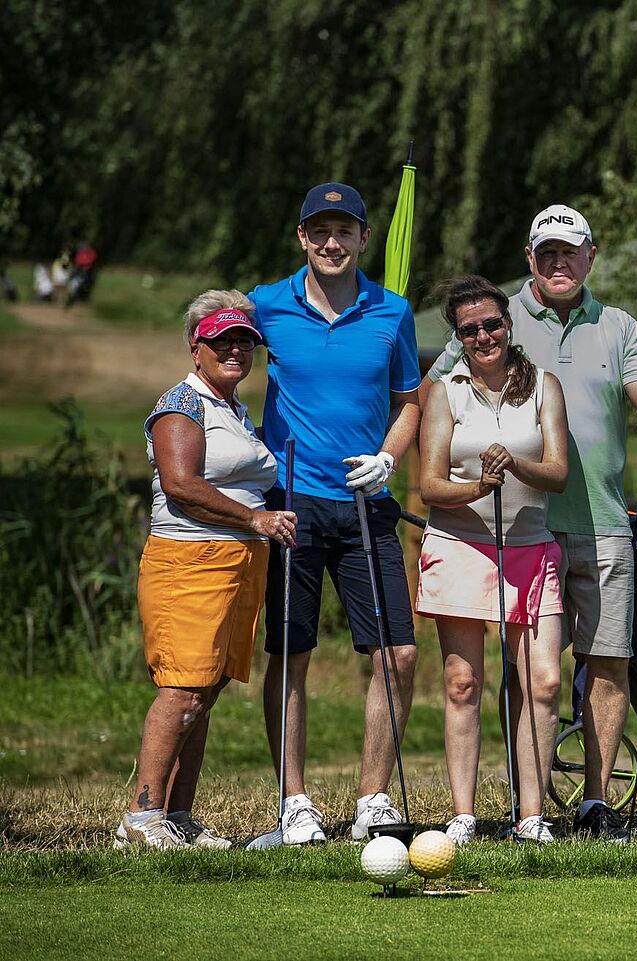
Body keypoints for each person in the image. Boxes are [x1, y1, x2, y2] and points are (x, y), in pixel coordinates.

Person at [425, 204, 637, 842]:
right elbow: (433, 394)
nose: (558, 262)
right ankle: (525, 803)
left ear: (590, 256)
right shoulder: (496, 317)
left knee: (607, 661)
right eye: (546, 252)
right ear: (530, 258)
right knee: (528, 675)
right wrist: (391, 454)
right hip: (522, 529)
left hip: (603, 520)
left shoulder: (617, 325)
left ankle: (595, 802)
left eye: (569, 251)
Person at [249, 182, 422, 844]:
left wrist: (389, 458)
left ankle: (373, 798)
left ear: (363, 238)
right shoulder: (266, 304)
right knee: (291, 653)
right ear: (302, 237)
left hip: (365, 502)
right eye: (319, 230)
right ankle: (294, 802)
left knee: (398, 653)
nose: (331, 242)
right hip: (290, 502)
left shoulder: (393, 311)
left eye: (343, 230)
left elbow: (408, 402)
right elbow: (215, 348)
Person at [117, 291, 297, 849]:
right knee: (182, 689)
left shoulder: (233, 409)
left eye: (245, 341)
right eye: (222, 341)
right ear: (196, 349)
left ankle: (178, 816)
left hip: (238, 562)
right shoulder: (182, 404)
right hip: (190, 562)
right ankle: (141, 817)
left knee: (206, 691)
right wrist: (255, 518)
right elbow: (181, 484)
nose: (235, 350)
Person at [416, 275, 570, 845]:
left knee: (544, 682)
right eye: (469, 330)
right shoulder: (445, 392)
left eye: (491, 324)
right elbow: (431, 485)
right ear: (458, 337)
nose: (483, 336)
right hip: (459, 546)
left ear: (508, 323)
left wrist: (516, 465)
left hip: (531, 549)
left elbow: (557, 472)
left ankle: (530, 815)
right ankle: (464, 814)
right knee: (463, 682)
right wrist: (479, 487)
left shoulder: (543, 386)